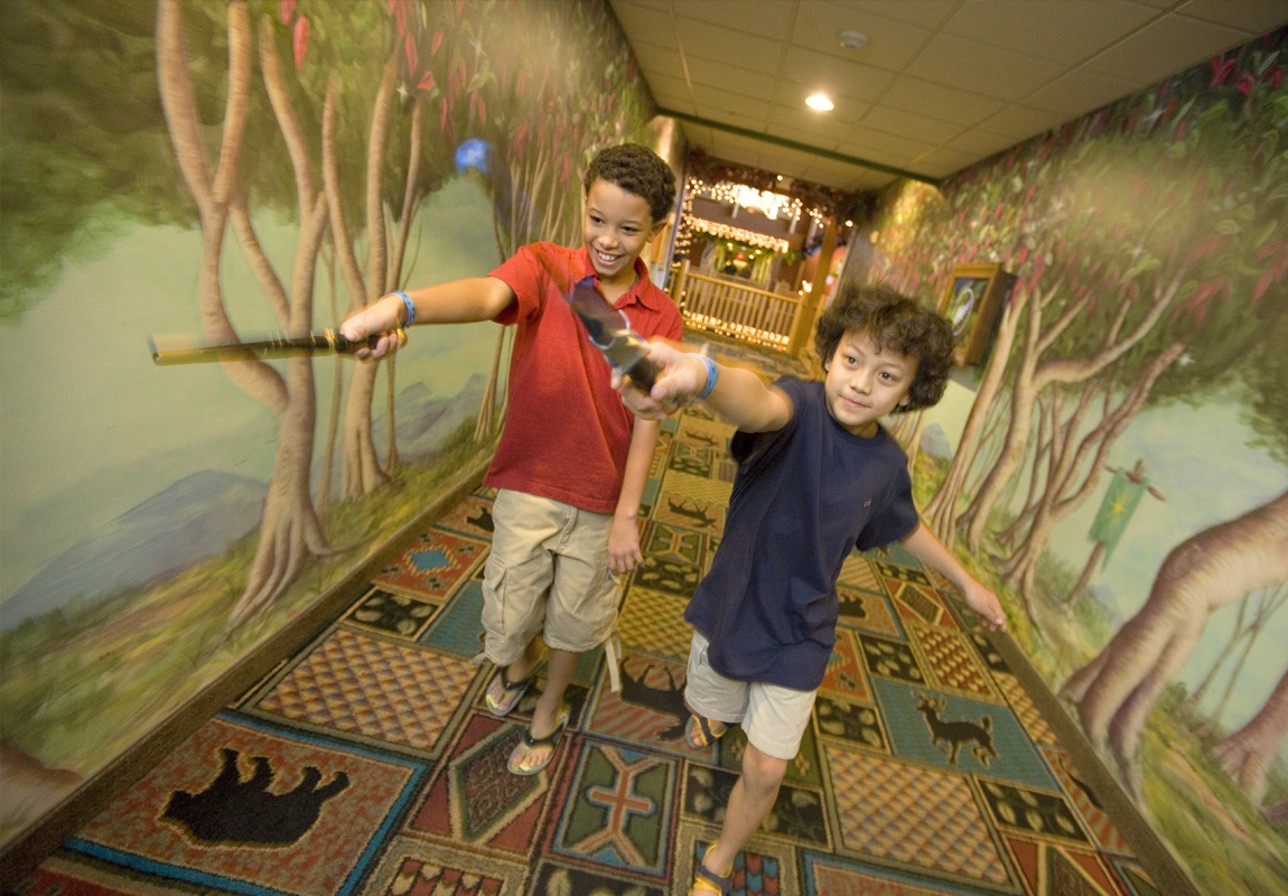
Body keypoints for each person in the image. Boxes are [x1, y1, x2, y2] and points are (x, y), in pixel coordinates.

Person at [614, 282, 1007, 895]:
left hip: (804, 628)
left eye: (886, 376)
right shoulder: (796, 405)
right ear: (830, 354)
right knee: (711, 704)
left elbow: (903, 523)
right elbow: (756, 403)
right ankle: (714, 716)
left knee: (768, 769)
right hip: (733, 605)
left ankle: (720, 858)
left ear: (909, 393)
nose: (860, 384)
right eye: (852, 360)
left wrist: (966, 582)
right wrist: (704, 375)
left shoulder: (887, 465)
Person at [341, 143, 682, 776]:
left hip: (602, 498)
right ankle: (520, 664)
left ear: (655, 233)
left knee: (575, 621)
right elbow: (485, 294)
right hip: (530, 482)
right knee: (509, 611)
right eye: (597, 219)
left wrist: (628, 514)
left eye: (629, 229)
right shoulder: (545, 266)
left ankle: (549, 704)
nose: (608, 240)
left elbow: (647, 418)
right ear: (583, 206)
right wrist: (403, 306)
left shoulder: (661, 315)